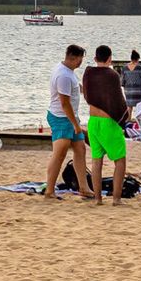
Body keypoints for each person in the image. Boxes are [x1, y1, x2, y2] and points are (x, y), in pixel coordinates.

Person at [80, 45, 131, 205]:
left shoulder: (88, 73)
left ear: (95, 58)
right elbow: (117, 99)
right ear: (110, 59)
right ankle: (116, 199)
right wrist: (125, 117)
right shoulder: (112, 75)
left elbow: (88, 95)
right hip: (108, 122)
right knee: (120, 161)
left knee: (96, 160)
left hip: (93, 121)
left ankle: (98, 199)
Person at [44, 45, 89, 202]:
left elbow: (75, 88)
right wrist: (76, 125)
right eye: (80, 59)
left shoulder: (68, 72)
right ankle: (49, 190)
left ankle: (84, 187)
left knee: (80, 149)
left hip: (71, 117)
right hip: (61, 117)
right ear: (75, 58)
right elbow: (65, 103)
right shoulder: (63, 75)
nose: (81, 62)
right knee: (60, 153)